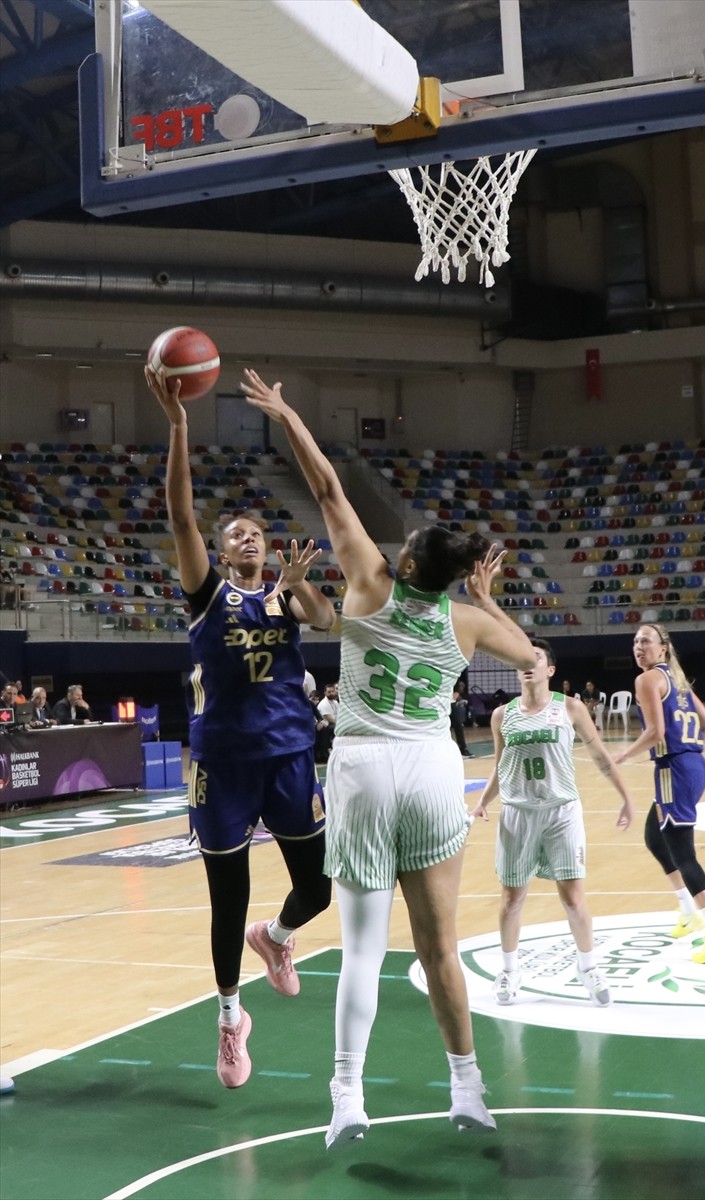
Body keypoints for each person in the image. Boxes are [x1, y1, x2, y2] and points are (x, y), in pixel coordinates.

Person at [240, 370, 540, 1151]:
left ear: (407, 567)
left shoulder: (370, 586)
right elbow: (535, 657)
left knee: (363, 950)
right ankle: (467, 1090)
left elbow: (330, 487)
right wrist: (485, 597)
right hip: (434, 770)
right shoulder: (469, 621)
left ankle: (346, 1097)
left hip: (366, 768)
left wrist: (286, 415)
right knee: (438, 947)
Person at [145, 365, 336, 1091]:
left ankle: (278, 939)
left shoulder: (287, 596)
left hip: (289, 758)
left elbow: (327, 620)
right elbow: (180, 517)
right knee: (228, 898)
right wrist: (180, 426)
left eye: (256, 531)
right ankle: (230, 1020)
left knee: (317, 889)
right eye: (237, 533)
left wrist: (299, 585)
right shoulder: (206, 594)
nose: (247, 537)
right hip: (222, 764)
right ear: (225, 551)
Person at [471, 639, 633, 1007]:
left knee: (573, 896)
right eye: (522, 658)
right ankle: (510, 971)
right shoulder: (502, 715)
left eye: (536, 658)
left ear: (550, 670)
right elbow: (501, 766)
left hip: (562, 811)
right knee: (512, 898)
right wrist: (482, 802)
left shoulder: (572, 708)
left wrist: (626, 797)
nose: (528, 663)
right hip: (517, 814)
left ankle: (588, 966)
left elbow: (602, 758)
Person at [613, 622, 705, 964]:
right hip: (694, 767)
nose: (639, 647)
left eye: (646, 641)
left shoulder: (647, 679)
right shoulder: (679, 681)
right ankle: (687, 911)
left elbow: (655, 732)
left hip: (675, 771)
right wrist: (691, 752)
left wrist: (623, 754)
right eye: (636, 641)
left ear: (663, 648)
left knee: (684, 854)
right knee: (655, 837)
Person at [450, 678, 472, 757]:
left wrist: (452, 699)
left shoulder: (453, 676)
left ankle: (463, 749)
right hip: (439, 704)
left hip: (451, 703)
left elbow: (457, 689)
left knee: (458, 725)